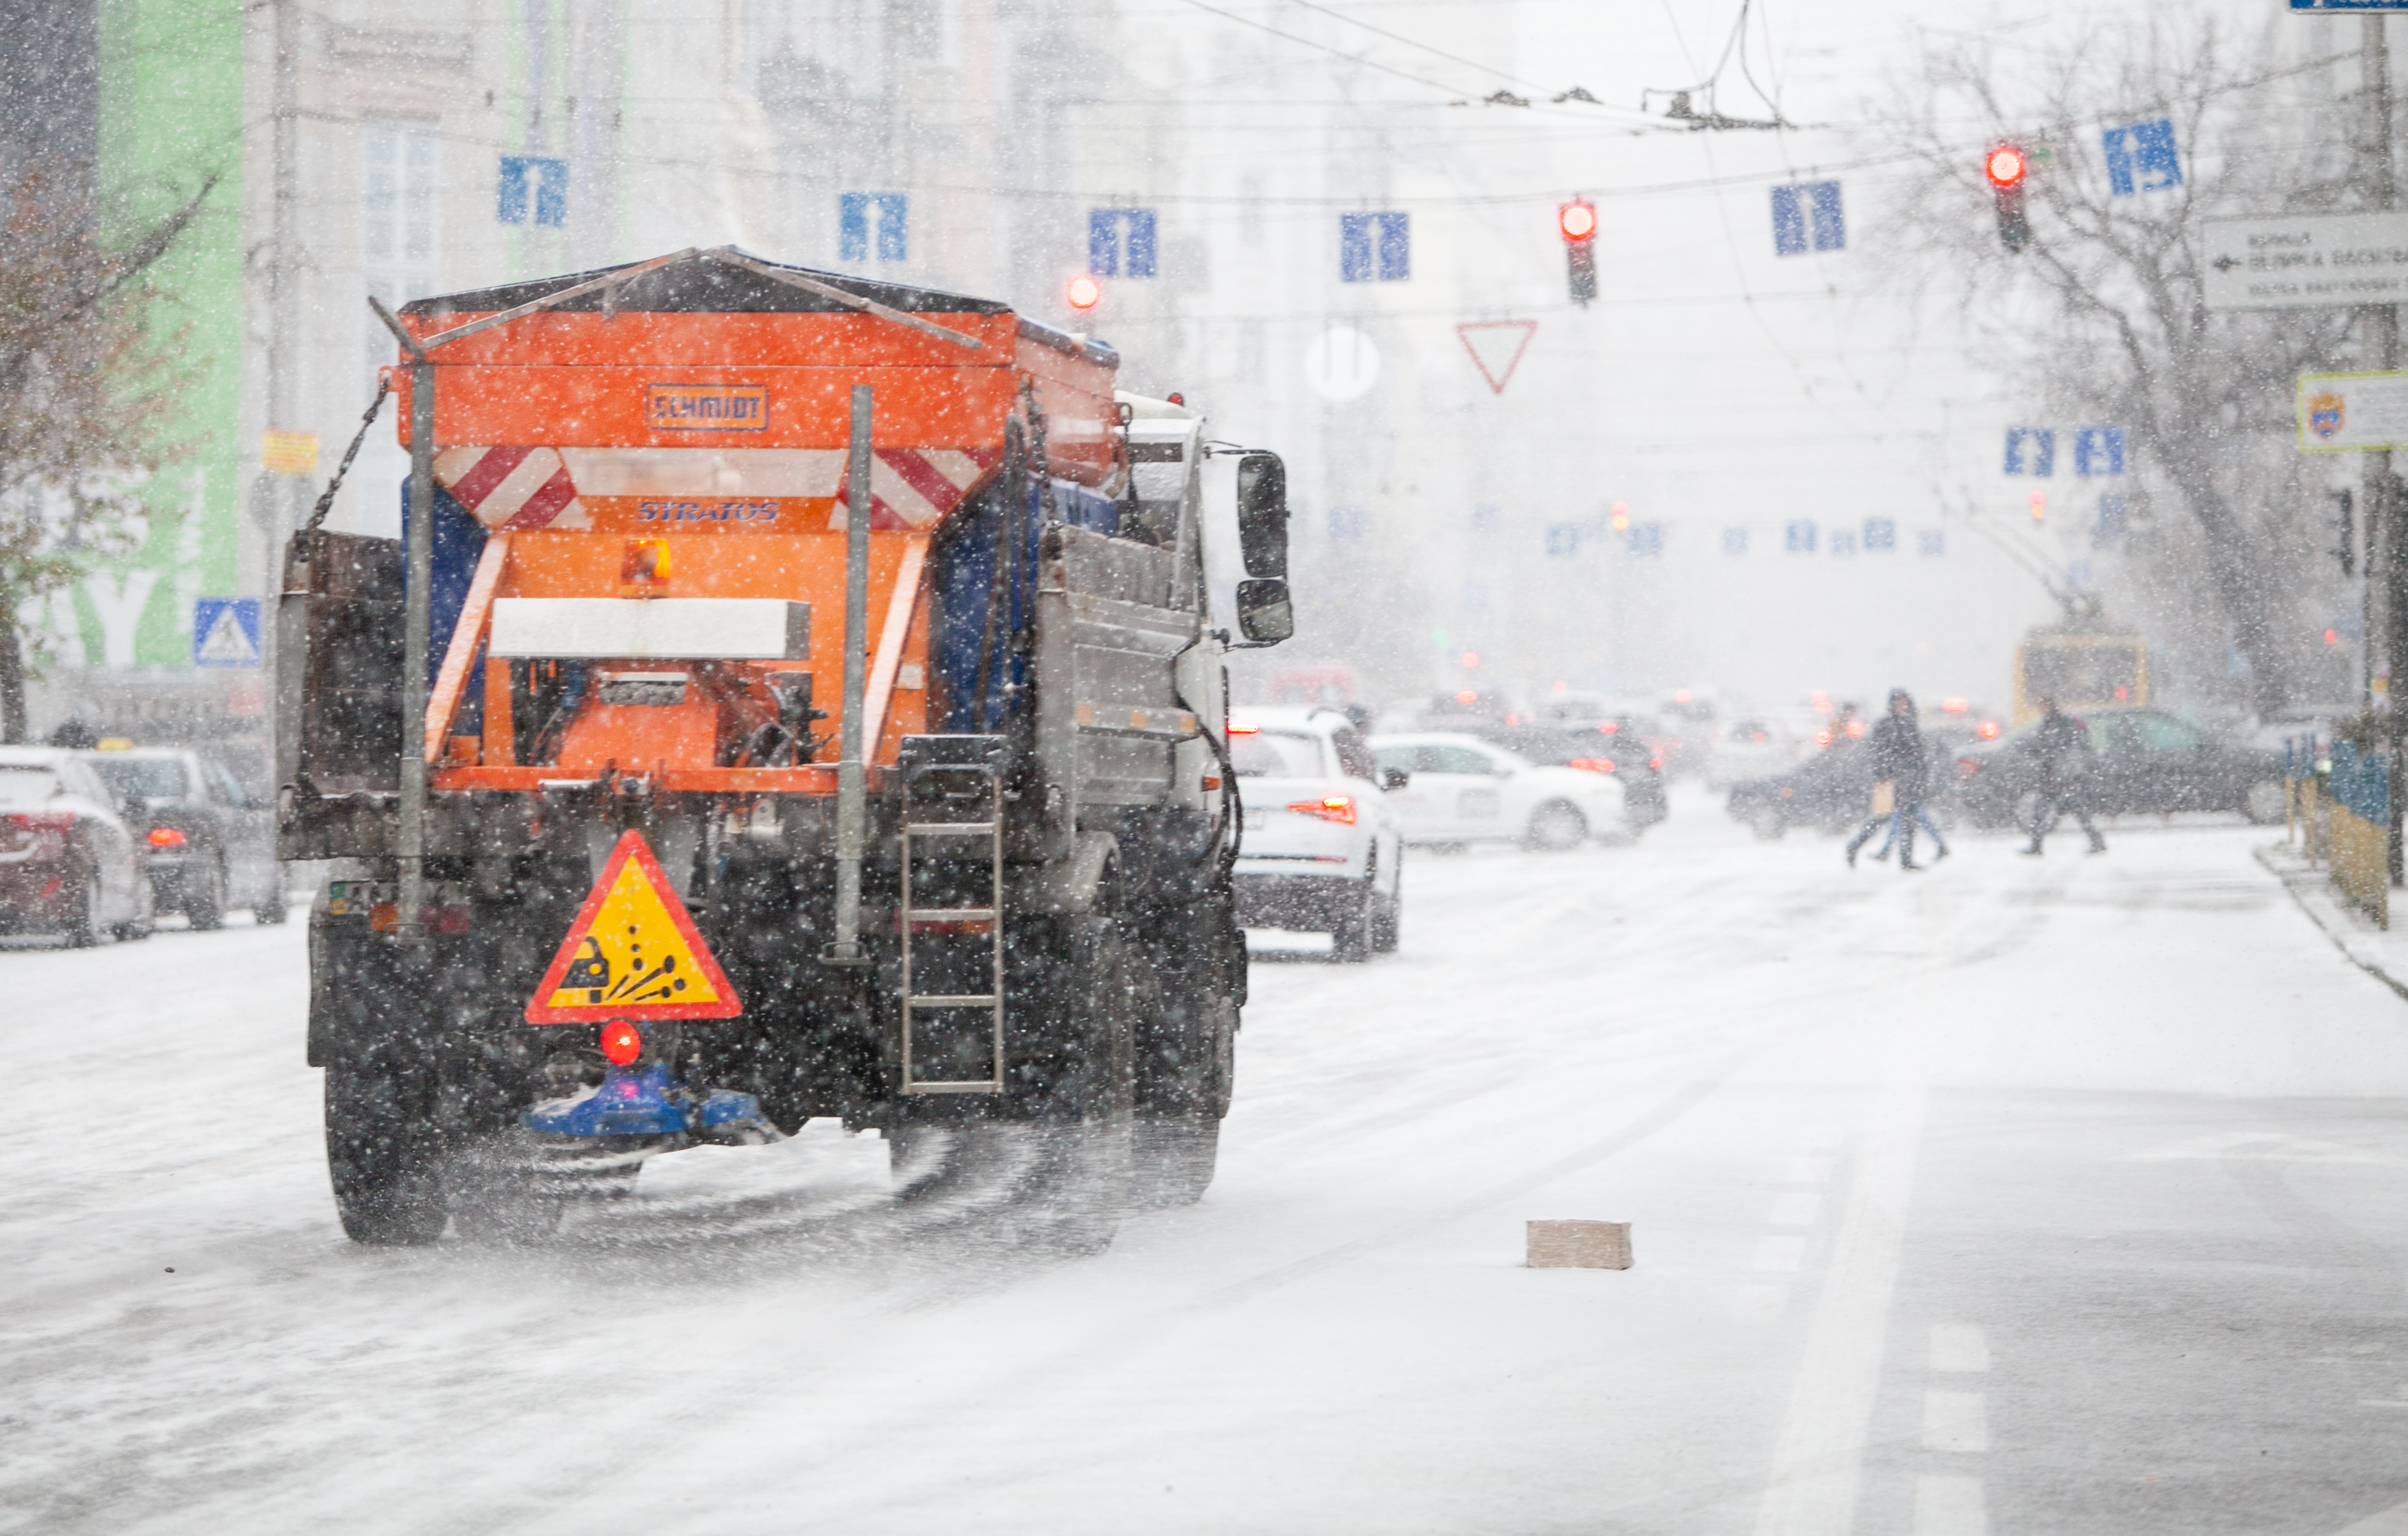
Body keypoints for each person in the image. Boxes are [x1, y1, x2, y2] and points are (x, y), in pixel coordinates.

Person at [1846, 689, 1942, 870]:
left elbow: (1918, 755)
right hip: (1892, 780)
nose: (1902, 705)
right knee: (1882, 817)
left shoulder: (1910, 723)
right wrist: (1883, 775)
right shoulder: (1886, 725)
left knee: (1909, 821)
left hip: (1911, 781)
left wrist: (1921, 777)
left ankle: (1906, 860)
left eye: (1904, 702)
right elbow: (1879, 752)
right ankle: (1854, 846)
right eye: (1898, 702)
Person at [2023, 696, 2106, 855]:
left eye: (2041, 705)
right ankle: (2036, 845)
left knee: (2045, 812)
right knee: (2074, 811)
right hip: (2056, 777)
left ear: (2048, 705)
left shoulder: (2059, 723)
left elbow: (2059, 749)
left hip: (2060, 777)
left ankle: (2036, 845)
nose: (2039, 709)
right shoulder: (2051, 722)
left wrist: (2043, 753)